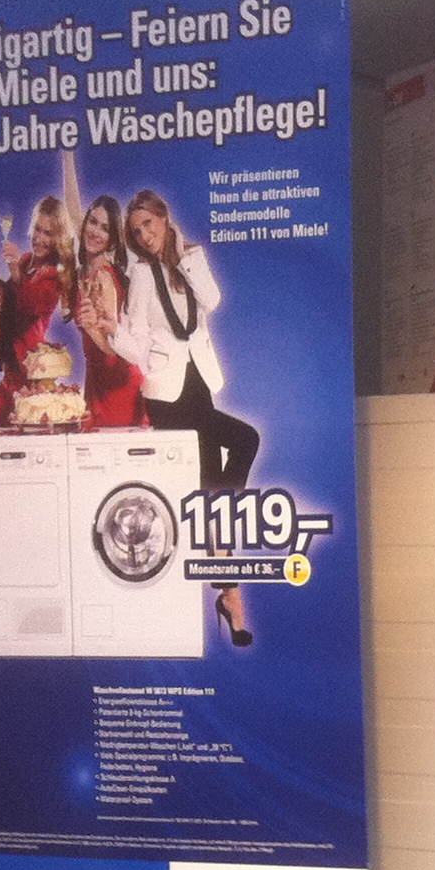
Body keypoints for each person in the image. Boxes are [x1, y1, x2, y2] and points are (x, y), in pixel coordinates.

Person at [114, 189, 260, 645]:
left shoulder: (192, 259)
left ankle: (228, 592)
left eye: (149, 224)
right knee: (240, 447)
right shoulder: (141, 275)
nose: (144, 235)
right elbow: (136, 342)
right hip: (168, 394)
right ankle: (228, 590)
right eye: (137, 230)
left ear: (164, 218)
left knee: (215, 478)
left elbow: (211, 302)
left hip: (199, 383)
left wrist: (183, 253)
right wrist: (109, 329)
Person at [0, 192, 76, 428]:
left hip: (30, 372)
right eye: (38, 229)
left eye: (48, 233)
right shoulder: (25, 261)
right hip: (10, 367)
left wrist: (14, 272)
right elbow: (8, 305)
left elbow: (31, 304)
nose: (40, 239)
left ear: (58, 238)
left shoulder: (54, 275)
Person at [63, 151, 142, 427]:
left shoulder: (103, 277)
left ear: (112, 239)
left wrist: (91, 328)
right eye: (93, 222)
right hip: (97, 380)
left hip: (116, 385)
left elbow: (111, 349)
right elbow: (73, 210)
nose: (95, 231)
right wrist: (67, 156)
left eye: (105, 228)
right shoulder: (88, 267)